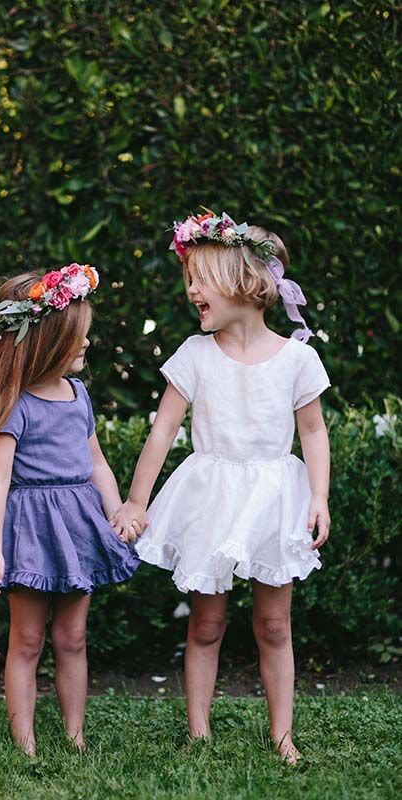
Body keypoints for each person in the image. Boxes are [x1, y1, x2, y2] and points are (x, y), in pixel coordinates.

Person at [111, 211, 330, 764]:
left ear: (244, 283)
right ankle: (199, 730)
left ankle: (283, 734)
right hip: (212, 496)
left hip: (274, 498)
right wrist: (137, 500)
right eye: (190, 281)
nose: (192, 291)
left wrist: (319, 498)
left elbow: (313, 432)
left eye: (201, 280)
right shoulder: (195, 355)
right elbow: (162, 431)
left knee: (274, 623)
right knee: (206, 623)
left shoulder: (298, 359)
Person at [0, 264, 140, 755]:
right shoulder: (15, 405)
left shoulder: (79, 395)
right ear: (46, 341)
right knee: (27, 640)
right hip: (32, 529)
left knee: (73, 637)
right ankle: (26, 742)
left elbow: (96, 462)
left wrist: (118, 507)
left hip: (77, 525)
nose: (85, 345)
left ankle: (75, 736)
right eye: (77, 337)